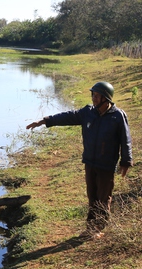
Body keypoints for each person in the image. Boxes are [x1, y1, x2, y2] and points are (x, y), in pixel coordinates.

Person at [26, 81, 133, 240]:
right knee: (92, 196)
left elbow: (126, 140)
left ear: (106, 98)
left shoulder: (117, 116)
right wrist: (45, 121)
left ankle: (98, 227)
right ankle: (90, 227)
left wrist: (126, 161)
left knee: (103, 197)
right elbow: (67, 116)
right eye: (93, 95)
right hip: (90, 162)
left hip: (106, 166)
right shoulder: (88, 112)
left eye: (97, 96)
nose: (93, 98)